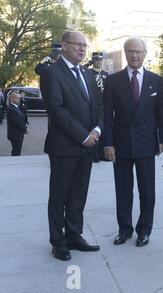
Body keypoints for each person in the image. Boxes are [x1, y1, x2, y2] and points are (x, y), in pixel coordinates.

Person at [40, 30, 104, 261]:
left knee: (78, 195)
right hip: (64, 148)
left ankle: (74, 235)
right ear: (64, 46)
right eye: (77, 44)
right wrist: (82, 135)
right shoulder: (51, 73)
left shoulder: (87, 74)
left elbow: (98, 105)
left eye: (84, 45)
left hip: (87, 148)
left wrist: (97, 130)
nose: (82, 49)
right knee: (59, 197)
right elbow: (56, 110)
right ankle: (58, 241)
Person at [103, 37, 163, 248]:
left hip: (147, 143)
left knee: (147, 190)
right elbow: (107, 116)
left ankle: (144, 230)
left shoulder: (156, 80)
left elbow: (160, 116)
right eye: (130, 51)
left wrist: (162, 141)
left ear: (145, 53)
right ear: (125, 53)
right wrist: (108, 143)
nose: (134, 55)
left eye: (138, 51)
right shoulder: (113, 80)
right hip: (121, 143)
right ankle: (124, 229)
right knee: (123, 189)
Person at [86, 52, 109, 162]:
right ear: (93, 61)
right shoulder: (88, 73)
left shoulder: (106, 74)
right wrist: (87, 64)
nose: (99, 62)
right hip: (93, 103)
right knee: (94, 127)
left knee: (104, 127)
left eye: (101, 60)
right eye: (97, 60)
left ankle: (102, 153)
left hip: (104, 103)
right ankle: (93, 154)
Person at [6, 89, 28, 156]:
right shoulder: (11, 109)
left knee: (17, 151)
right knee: (16, 152)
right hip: (15, 135)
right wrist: (25, 129)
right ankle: (14, 163)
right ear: (12, 100)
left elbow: (21, 118)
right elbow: (17, 122)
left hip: (17, 134)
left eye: (19, 98)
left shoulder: (16, 107)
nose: (19, 100)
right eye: (17, 98)